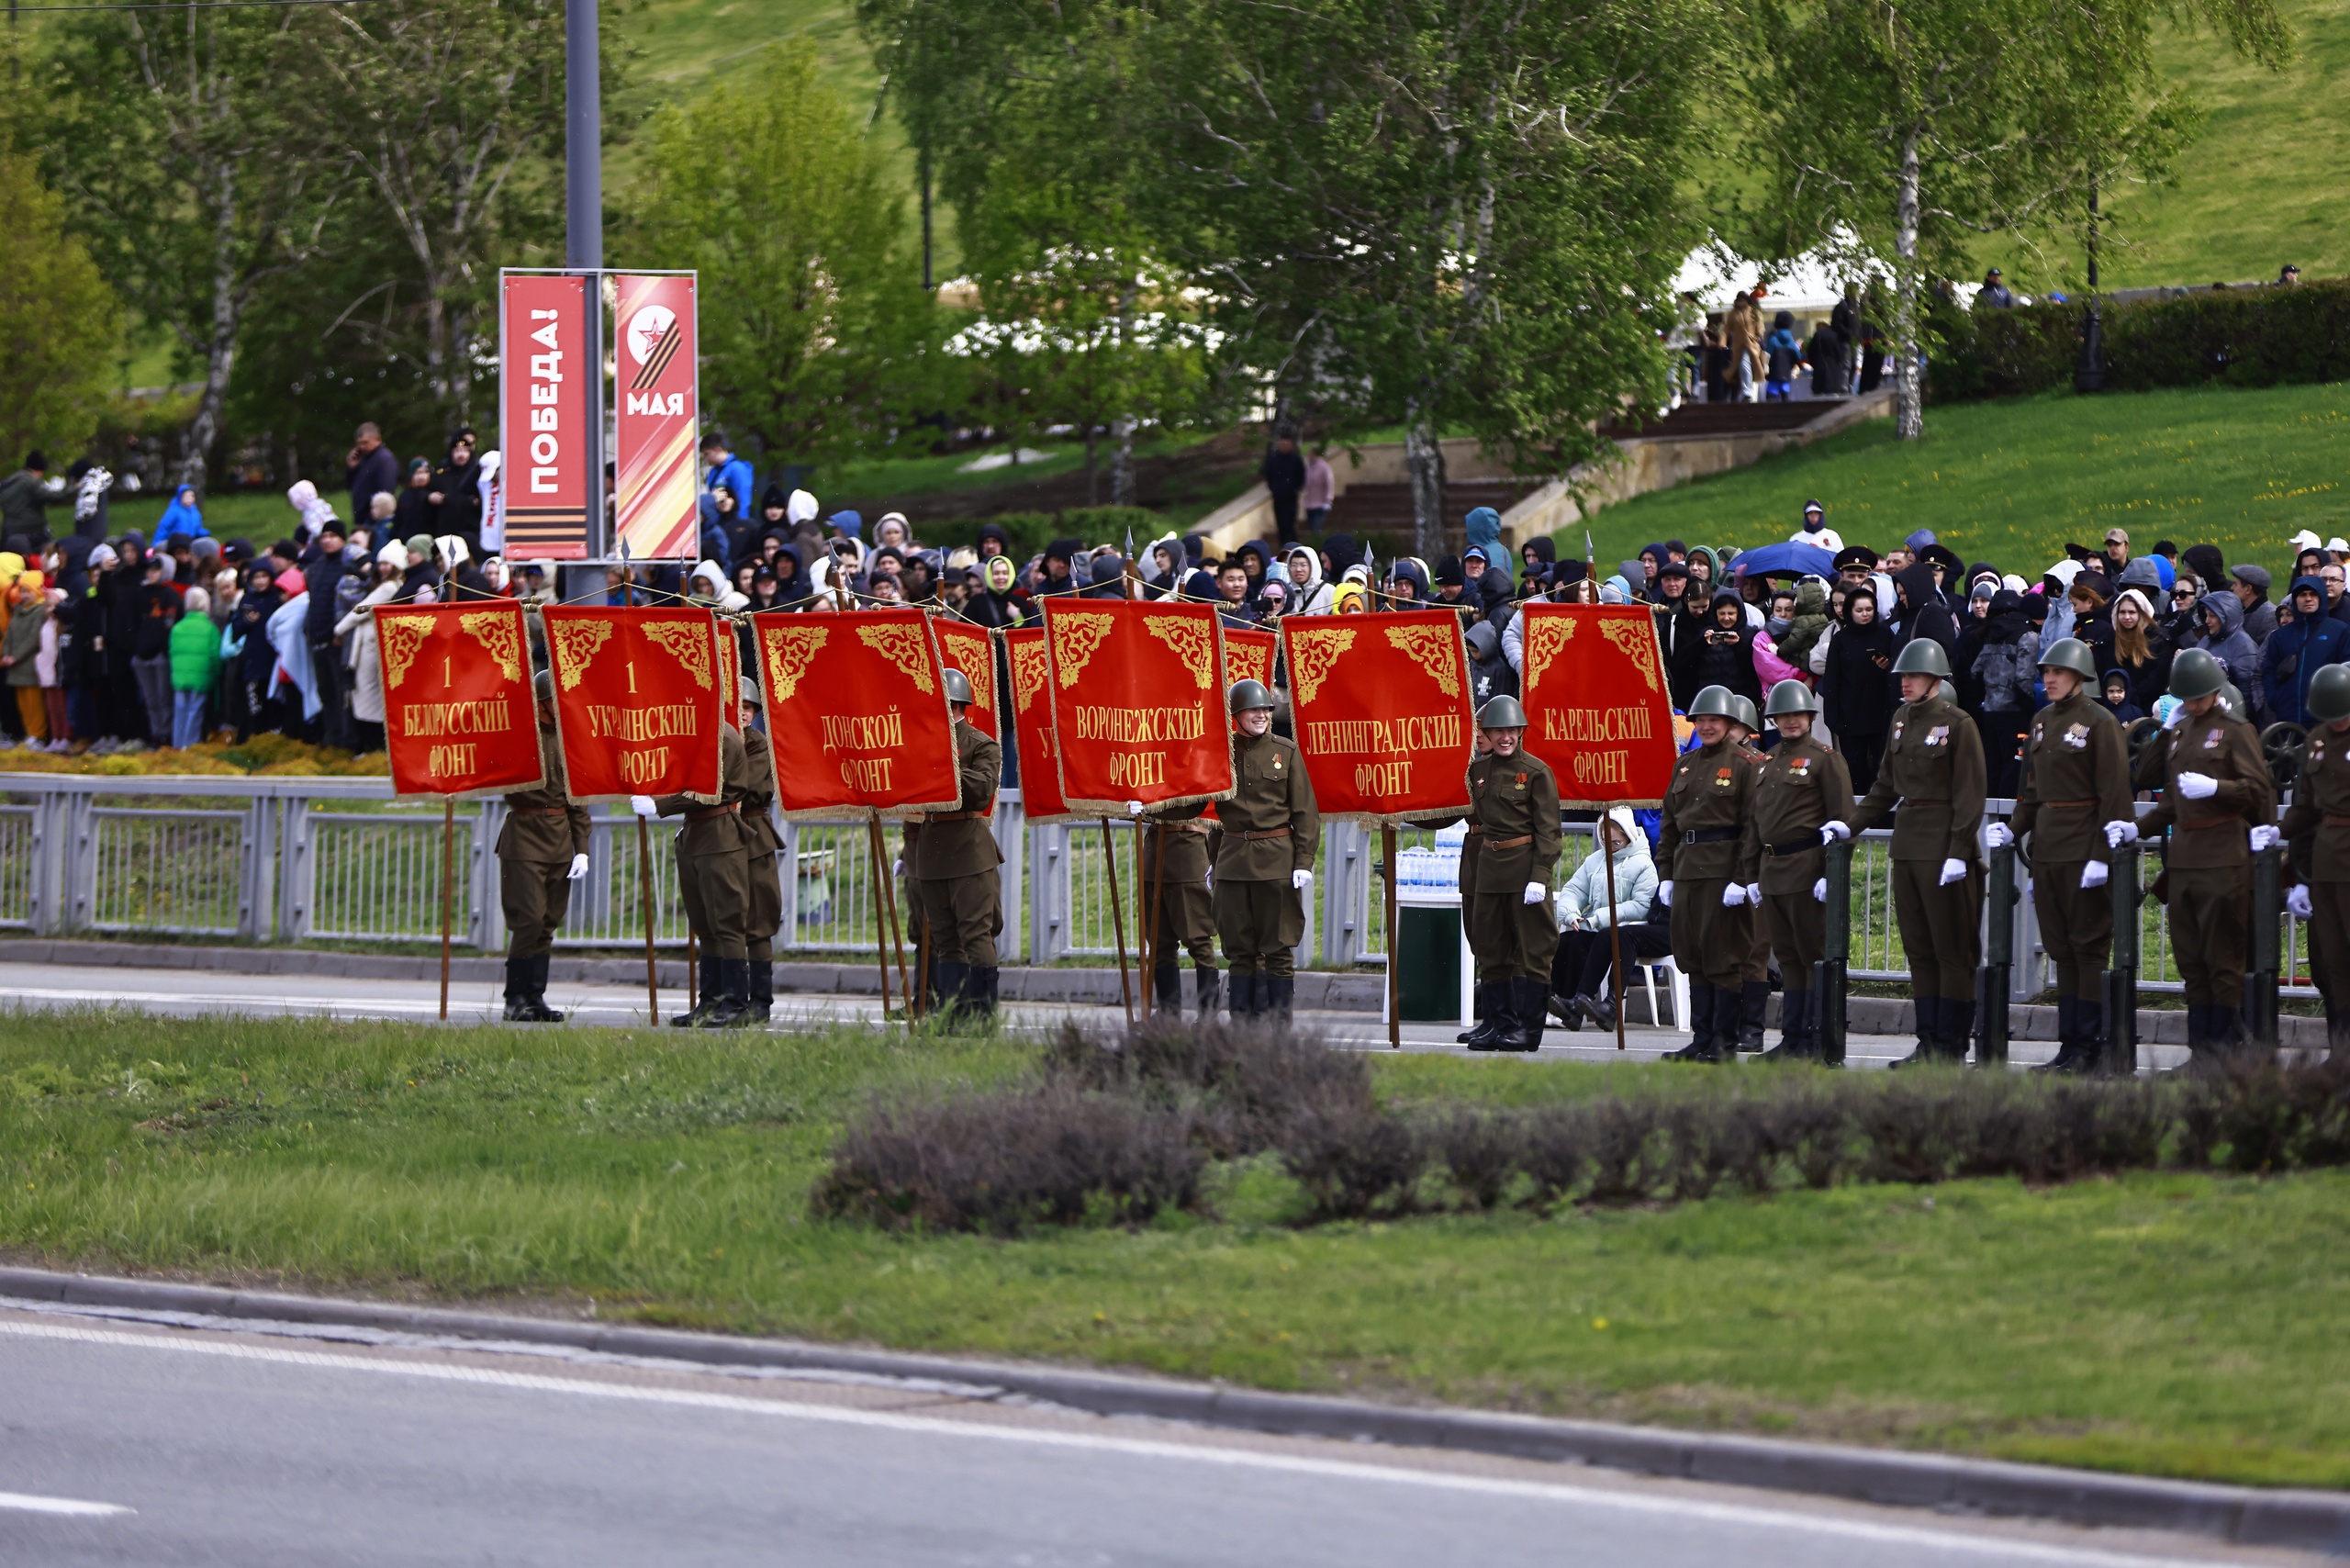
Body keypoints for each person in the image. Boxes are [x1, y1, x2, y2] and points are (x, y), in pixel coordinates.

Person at [2115, 648, 2276, 1060]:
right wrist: (2138, 826)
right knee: (2191, 960)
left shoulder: (2236, 730)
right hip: (2184, 858)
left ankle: (2225, 1054)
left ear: (2213, 691)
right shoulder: (2182, 730)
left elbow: (2259, 790)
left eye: (2196, 696)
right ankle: (2200, 1052)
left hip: (2223, 856)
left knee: (2222, 958)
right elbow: (2154, 783)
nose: (2190, 704)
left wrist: (2218, 789)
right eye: (2184, 697)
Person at [1843, 638, 1986, 1067]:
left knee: (1952, 949)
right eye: (1903, 676)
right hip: (1908, 847)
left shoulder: (1958, 724)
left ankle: (1951, 1046)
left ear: (1935, 680)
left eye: (1913, 676)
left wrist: (1961, 850)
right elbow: (1885, 786)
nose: (1905, 683)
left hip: (1944, 847)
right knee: (1920, 950)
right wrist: (1850, 824)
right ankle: (1928, 1042)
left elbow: (1970, 793)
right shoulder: (1901, 721)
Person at [2001, 638, 2132, 1073]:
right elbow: (2033, 792)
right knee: (2061, 949)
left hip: (2084, 848)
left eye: (2057, 672)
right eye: (2045, 673)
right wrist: (2014, 829)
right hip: (2050, 851)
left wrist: (2102, 854)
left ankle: (2090, 1048)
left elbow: (2114, 793)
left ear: (2079, 675)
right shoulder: (2042, 722)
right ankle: (2069, 1046)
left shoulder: (2099, 722)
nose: (2049, 679)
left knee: (2088, 948)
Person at [1740, 679, 1853, 1063]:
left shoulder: (1825, 759)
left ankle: (1816, 1038)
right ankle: (1792, 1038)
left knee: (1813, 956)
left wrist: (1829, 871)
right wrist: (1752, 875)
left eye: (1797, 715)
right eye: (1783, 715)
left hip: (1807, 867)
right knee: (1788, 958)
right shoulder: (1768, 761)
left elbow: (1842, 819)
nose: (1790, 721)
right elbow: (1757, 822)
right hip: (1773, 870)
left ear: (1809, 717)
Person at [1655, 685, 1761, 1063]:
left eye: (1715, 720)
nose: (1708, 726)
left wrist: (1742, 878)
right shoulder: (1684, 764)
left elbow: (1753, 826)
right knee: (1693, 955)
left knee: (1724, 957)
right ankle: (1701, 1038)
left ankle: (1723, 1041)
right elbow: (1670, 823)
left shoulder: (1746, 765)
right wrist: (1665, 872)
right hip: (1687, 868)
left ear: (1730, 722)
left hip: (1723, 870)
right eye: (1702, 720)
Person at [636, 711, 756, 1030]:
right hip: (696, 835)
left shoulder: (724, 737)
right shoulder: (696, 734)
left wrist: (661, 806)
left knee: (726, 924)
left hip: (719, 835)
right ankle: (711, 1001)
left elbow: (710, 789)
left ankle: (735, 1004)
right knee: (705, 926)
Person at [1455, 695, 1561, 1051]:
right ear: (1485, 732)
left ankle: (1529, 1032)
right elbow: (1458, 807)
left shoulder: (1536, 772)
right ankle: (1500, 1024)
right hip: (1489, 867)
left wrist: (1540, 875)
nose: (1504, 737)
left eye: (1511, 731)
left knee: (1534, 950)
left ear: (1521, 732)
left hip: (1523, 867)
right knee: (1491, 947)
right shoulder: (1477, 772)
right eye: (1497, 731)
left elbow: (1549, 830)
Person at [1215, 679, 1319, 1023]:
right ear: (1236, 713)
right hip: (1232, 862)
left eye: (1265, 710)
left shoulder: (1285, 752)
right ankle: (1242, 1028)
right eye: (1254, 709)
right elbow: (1203, 805)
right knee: (1239, 950)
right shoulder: (1221, 753)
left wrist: (1303, 860)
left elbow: (1305, 812)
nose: (1261, 715)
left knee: (1278, 949)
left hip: (1276, 861)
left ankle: (1279, 1031)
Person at [907, 667, 1004, 1023]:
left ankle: (982, 1015)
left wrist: (944, 766)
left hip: (969, 849)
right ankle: (953, 1014)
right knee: (945, 938)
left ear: (957, 705)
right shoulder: (921, 744)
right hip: (932, 848)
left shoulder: (981, 743)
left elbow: (981, 789)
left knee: (976, 934)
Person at [498, 671, 594, 1022]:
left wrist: (581, 848)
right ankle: (514, 998)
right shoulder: (521, 737)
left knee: (548, 923)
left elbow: (578, 799)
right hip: (524, 837)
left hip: (559, 840)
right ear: (542, 703)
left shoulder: (571, 740)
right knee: (529, 920)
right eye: (557, 698)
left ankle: (534, 998)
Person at [2282, 664, 2350, 1056]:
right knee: (2333, 961)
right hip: (2325, 860)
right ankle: (2342, 1055)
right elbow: (2305, 807)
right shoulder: (2317, 741)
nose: (2336, 722)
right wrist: (2283, 836)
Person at [1550, 806, 1659, 1032]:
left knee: (1594, 940)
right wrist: (1570, 913)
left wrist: (1600, 917)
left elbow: (1641, 906)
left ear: (1628, 836)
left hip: (1623, 929)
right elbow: (1574, 890)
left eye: (1616, 843)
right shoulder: (1595, 861)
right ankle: (1564, 1003)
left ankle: (1575, 1005)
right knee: (1570, 940)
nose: (1610, 848)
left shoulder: (1644, 865)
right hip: (1596, 926)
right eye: (1605, 842)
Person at [1140, 796, 1219, 1022]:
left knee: (1198, 939)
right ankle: (1168, 1013)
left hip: (1187, 848)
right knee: (1158, 941)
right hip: (1155, 849)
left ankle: (1208, 1015)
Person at [736, 676, 786, 1025]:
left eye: (748, 707)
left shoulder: (758, 744)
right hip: (722, 835)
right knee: (728, 921)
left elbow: (744, 787)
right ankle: (730, 997)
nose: (742, 713)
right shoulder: (717, 742)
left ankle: (761, 1001)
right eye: (738, 705)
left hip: (753, 833)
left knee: (758, 922)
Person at [1820, 585, 1894, 794]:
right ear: (1850, 612)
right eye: (1859, 610)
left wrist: (1886, 667)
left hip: (1880, 715)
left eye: (1869, 610)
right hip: (1850, 717)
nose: (1864, 615)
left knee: (1881, 768)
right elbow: (1832, 680)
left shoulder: (1884, 634)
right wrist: (1832, 719)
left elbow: (1896, 671)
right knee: (1855, 770)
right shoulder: (1841, 639)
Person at [2264, 576, 2348, 726]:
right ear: (2295, 599)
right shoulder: (2280, 636)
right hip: (2287, 717)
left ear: (2321, 597)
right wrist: (2274, 699)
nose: (2308, 599)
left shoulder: (2339, 631)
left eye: (2313, 594)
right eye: (2303, 595)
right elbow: (2269, 670)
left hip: (2324, 718)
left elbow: (2346, 670)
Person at [164, 584, 216, 748]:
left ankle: (177, 745)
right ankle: (190, 746)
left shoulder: (177, 628)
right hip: (201, 677)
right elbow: (215, 656)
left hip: (180, 677)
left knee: (180, 712)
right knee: (195, 713)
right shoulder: (210, 628)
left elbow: (172, 652)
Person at [345, 423, 400, 524]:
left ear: (377, 439)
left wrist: (373, 514)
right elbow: (349, 486)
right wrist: (352, 468)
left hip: (374, 519)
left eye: (365, 443)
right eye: (359, 443)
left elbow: (386, 491)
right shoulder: (363, 459)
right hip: (362, 517)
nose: (361, 447)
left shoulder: (385, 460)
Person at [1261, 433, 1306, 546]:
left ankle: (1293, 544)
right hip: (1278, 496)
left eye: (1286, 444)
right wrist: (1274, 488)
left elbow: (1301, 475)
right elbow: (1268, 475)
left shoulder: (1295, 459)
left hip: (1291, 496)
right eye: (1282, 444)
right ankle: (1283, 545)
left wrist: (1296, 488)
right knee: (1280, 523)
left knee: (1290, 522)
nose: (1284, 446)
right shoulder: (1274, 459)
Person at [1762, 310, 1803, 400]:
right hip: (1786, 374)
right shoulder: (1791, 340)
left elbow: (1768, 355)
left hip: (1774, 375)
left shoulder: (1773, 339)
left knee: (1770, 399)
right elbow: (1798, 356)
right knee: (1785, 399)